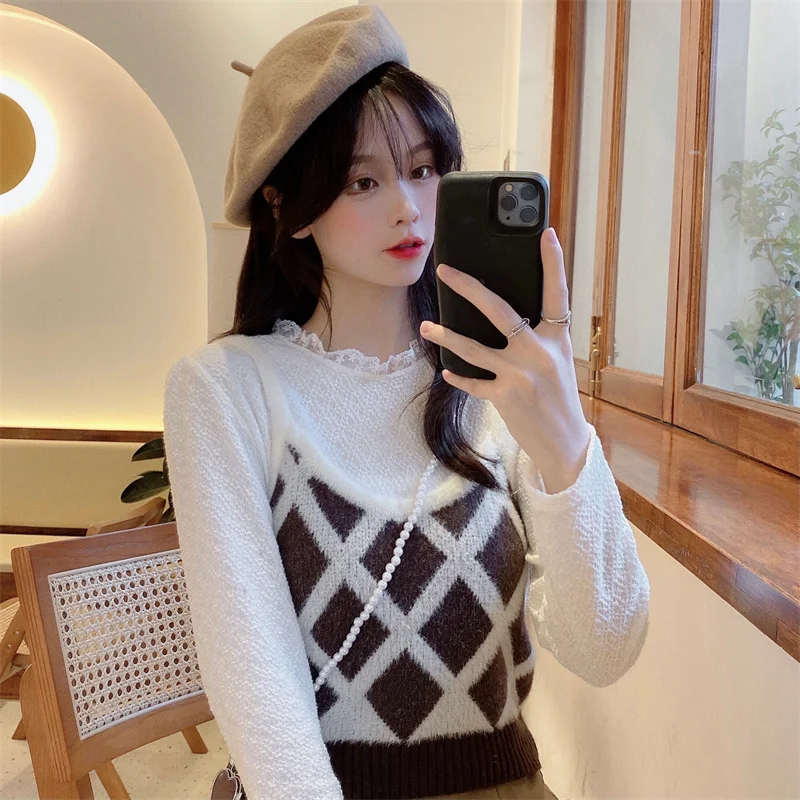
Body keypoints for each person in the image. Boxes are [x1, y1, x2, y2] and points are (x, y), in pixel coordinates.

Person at [162, 6, 651, 800]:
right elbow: (254, 674)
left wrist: (565, 442)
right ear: (286, 206)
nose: (408, 207)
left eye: (424, 169)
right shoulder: (225, 390)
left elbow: (607, 647)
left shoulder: (501, 384)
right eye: (363, 181)